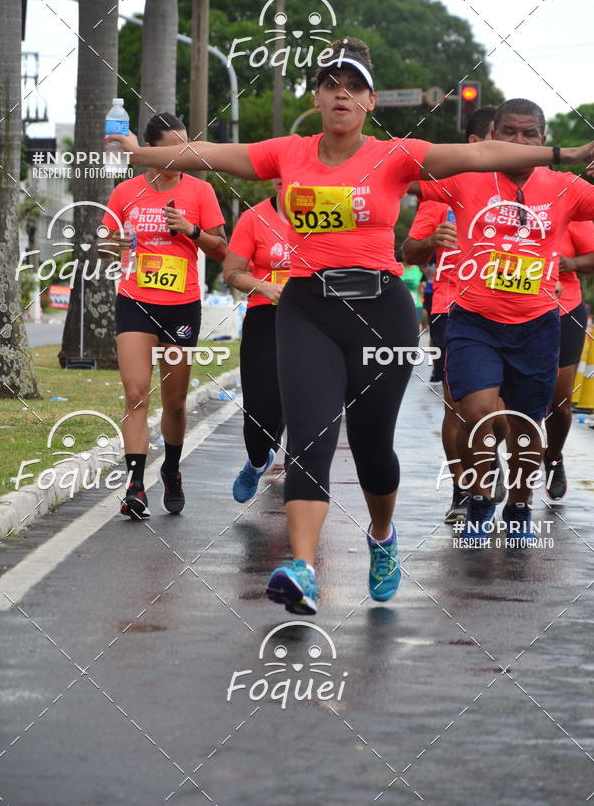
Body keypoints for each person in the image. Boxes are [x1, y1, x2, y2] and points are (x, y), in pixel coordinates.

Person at [106, 49, 594, 611]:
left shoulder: (394, 156)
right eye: (329, 85)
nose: (341, 94)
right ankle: (303, 567)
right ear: (315, 99)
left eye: (353, 87)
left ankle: (382, 537)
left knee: (370, 447)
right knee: (310, 437)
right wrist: (136, 152)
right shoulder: (288, 153)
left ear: (368, 102)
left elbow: (482, 151)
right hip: (308, 306)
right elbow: (212, 153)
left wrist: (573, 153)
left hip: (380, 311)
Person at [414, 98, 594, 544]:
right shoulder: (464, 176)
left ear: (543, 140)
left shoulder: (565, 185)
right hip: (474, 319)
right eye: (508, 132)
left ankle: (518, 505)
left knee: (524, 426)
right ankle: (477, 496)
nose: (518, 142)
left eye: (528, 134)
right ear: (491, 137)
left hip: (537, 323)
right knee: (475, 410)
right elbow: (403, 171)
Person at [102, 113, 227, 519]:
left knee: (174, 403)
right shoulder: (126, 192)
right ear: (150, 150)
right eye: (174, 146)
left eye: (186, 145)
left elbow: (221, 249)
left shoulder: (201, 191)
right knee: (136, 393)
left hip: (181, 306)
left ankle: (171, 469)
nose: (182, 153)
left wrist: (191, 231)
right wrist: (113, 242)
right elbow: (105, 243)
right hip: (135, 300)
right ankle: (135, 485)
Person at [403, 106, 508, 525]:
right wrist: (431, 239)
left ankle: (492, 456)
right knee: (457, 406)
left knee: (499, 410)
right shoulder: (444, 188)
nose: (512, 148)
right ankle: (462, 488)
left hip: (512, 310)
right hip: (454, 305)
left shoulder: (525, 189)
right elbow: (408, 252)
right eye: (502, 138)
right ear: (476, 143)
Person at [223, 180, 290, 502]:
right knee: (262, 409)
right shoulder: (254, 218)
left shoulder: (325, 216)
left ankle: (304, 477)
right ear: (277, 182)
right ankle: (256, 461)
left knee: (305, 403)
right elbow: (232, 273)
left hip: (313, 320)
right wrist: (264, 287)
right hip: (265, 317)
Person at [544, 221, 594, 498]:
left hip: (564, 310)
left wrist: (571, 262)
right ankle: (494, 462)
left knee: (559, 402)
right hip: (505, 310)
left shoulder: (568, 205)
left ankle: (553, 456)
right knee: (503, 403)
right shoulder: (497, 206)